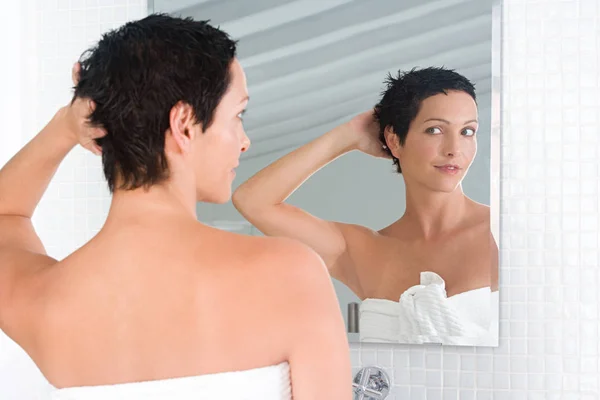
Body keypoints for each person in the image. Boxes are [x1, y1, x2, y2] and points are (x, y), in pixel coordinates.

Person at [0, 14, 351, 399]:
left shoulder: (47, 302)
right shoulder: (289, 273)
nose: (244, 140)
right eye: (237, 116)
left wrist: (65, 126)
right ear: (184, 123)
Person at [233, 67, 499, 345]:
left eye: (468, 131)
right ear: (395, 140)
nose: (454, 148)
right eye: (435, 130)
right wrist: (347, 136)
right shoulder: (361, 250)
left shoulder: (507, 233)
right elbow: (252, 201)